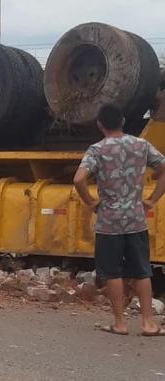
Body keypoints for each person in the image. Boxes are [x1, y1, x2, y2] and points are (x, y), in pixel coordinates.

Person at [74, 103, 165, 337]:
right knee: (142, 271)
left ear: (99, 125)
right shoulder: (141, 145)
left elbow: (79, 179)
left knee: (112, 272)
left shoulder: (97, 150)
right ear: (123, 121)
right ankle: (148, 323)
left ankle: (120, 323)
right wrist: (153, 199)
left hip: (109, 222)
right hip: (136, 219)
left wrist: (90, 202)